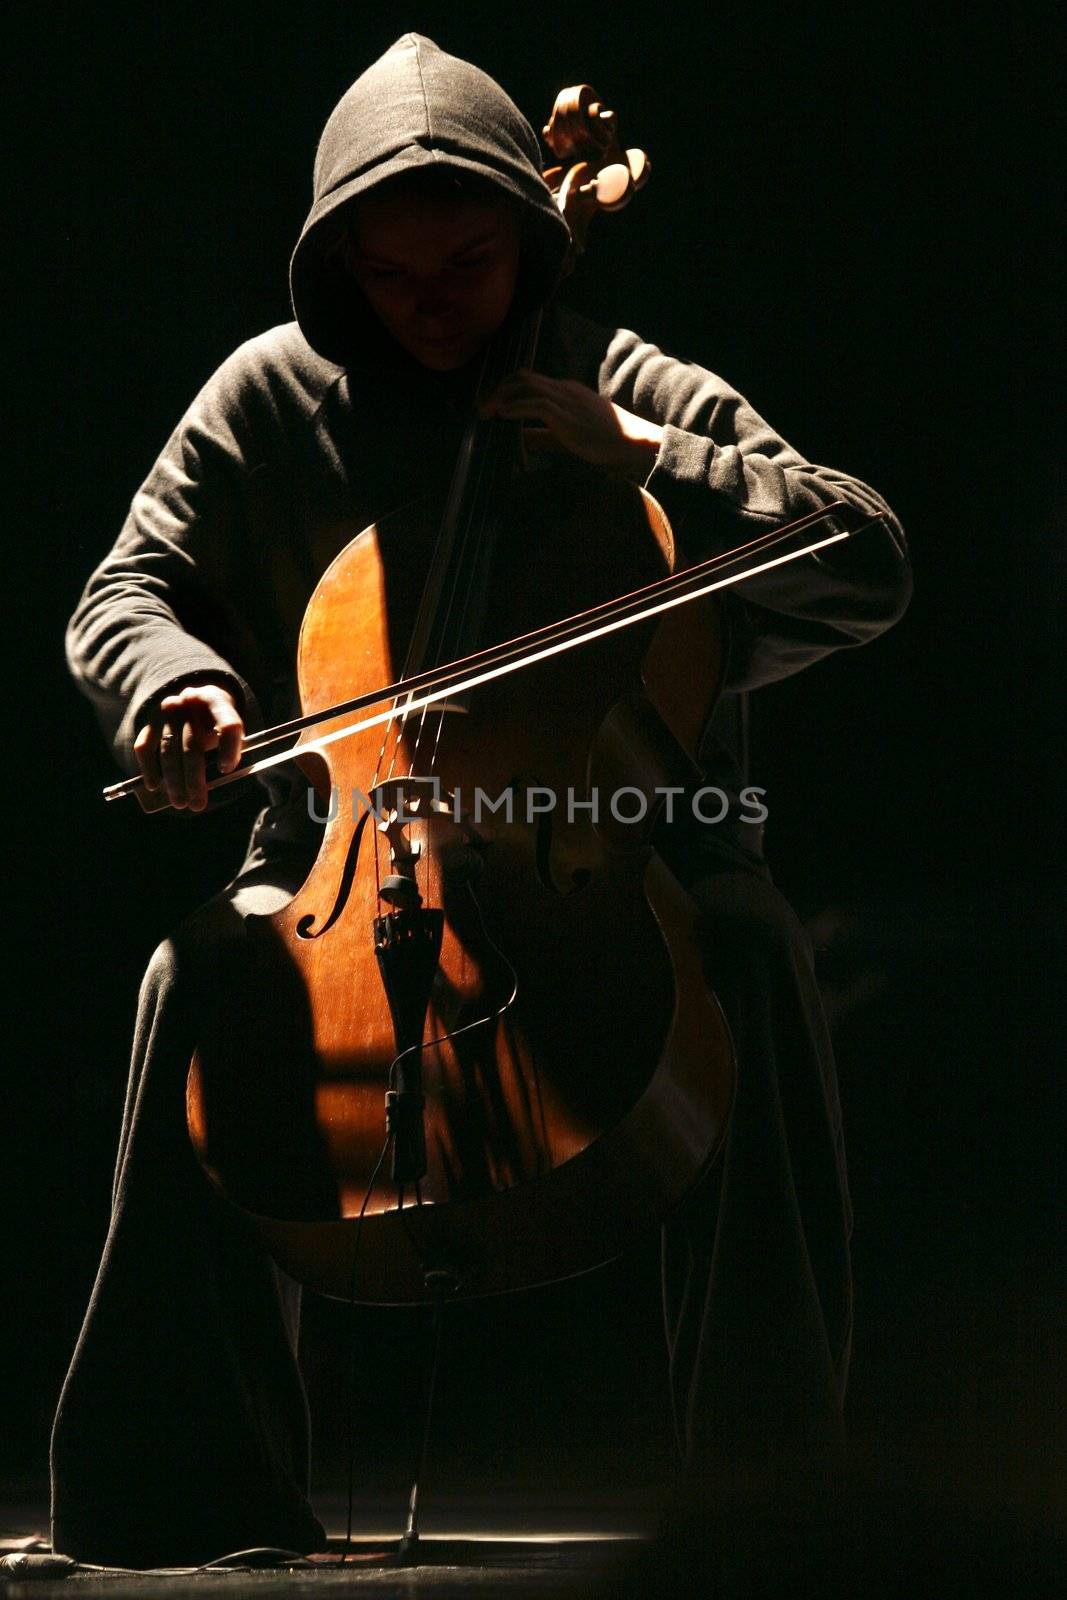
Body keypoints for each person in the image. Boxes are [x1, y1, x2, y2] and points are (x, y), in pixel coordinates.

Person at [52, 33, 911, 1575]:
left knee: (758, 960)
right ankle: (181, 1489)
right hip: (331, 849)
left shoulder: (620, 379)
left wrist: (646, 451)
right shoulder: (269, 395)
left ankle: (771, 1498)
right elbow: (129, 588)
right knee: (192, 970)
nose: (439, 301)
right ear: (336, 266)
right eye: (393, 274)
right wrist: (170, 684)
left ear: (536, 232)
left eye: (473, 259)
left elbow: (868, 560)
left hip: (625, 852)